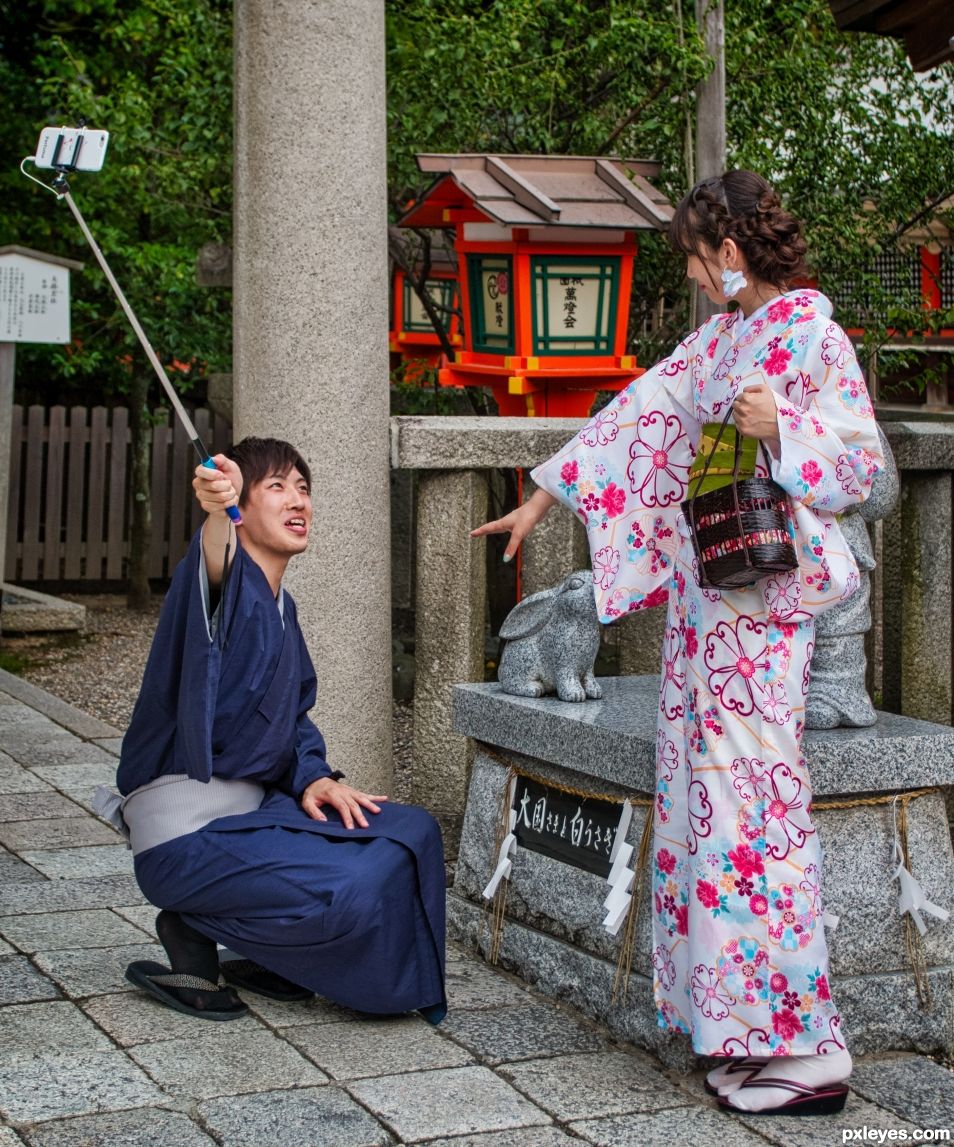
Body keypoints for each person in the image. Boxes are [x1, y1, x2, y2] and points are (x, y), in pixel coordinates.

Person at [471, 171, 882, 1115]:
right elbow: (641, 413)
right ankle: (738, 1030)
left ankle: (810, 1045)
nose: (697, 277)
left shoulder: (812, 332)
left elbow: (857, 461)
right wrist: (545, 492)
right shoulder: (724, 339)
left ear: (727, 253)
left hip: (761, 611)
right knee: (705, 810)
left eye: (698, 259)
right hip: (708, 614)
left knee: (756, 813)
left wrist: (784, 425)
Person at [113, 436, 446, 1024]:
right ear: (243, 505)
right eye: (276, 486)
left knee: (407, 832)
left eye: (303, 487)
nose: (298, 499)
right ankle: (192, 924)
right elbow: (213, 557)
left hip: (250, 820)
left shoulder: (282, 608)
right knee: (354, 882)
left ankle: (269, 949)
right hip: (186, 838)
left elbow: (291, 721)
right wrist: (217, 510)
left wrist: (316, 777)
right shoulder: (221, 580)